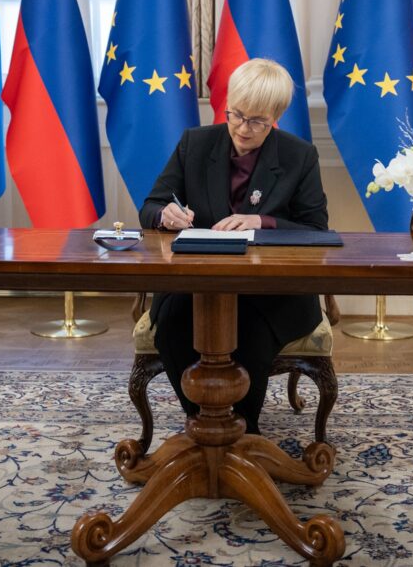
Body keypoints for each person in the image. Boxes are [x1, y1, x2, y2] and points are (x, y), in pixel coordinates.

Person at [139, 58, 329, 434]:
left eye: (257, 121)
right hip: (196, 283)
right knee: (173, 327)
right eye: (236, 115)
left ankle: (243, 432)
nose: (243, 128)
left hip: (271, 289)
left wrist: (263, 222)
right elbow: (151, 206)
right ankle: (203, 423)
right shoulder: (195, 144)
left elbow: (317, 230)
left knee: (249, 334)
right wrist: (165, 215)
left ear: (275, 117)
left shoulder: (298, 156)